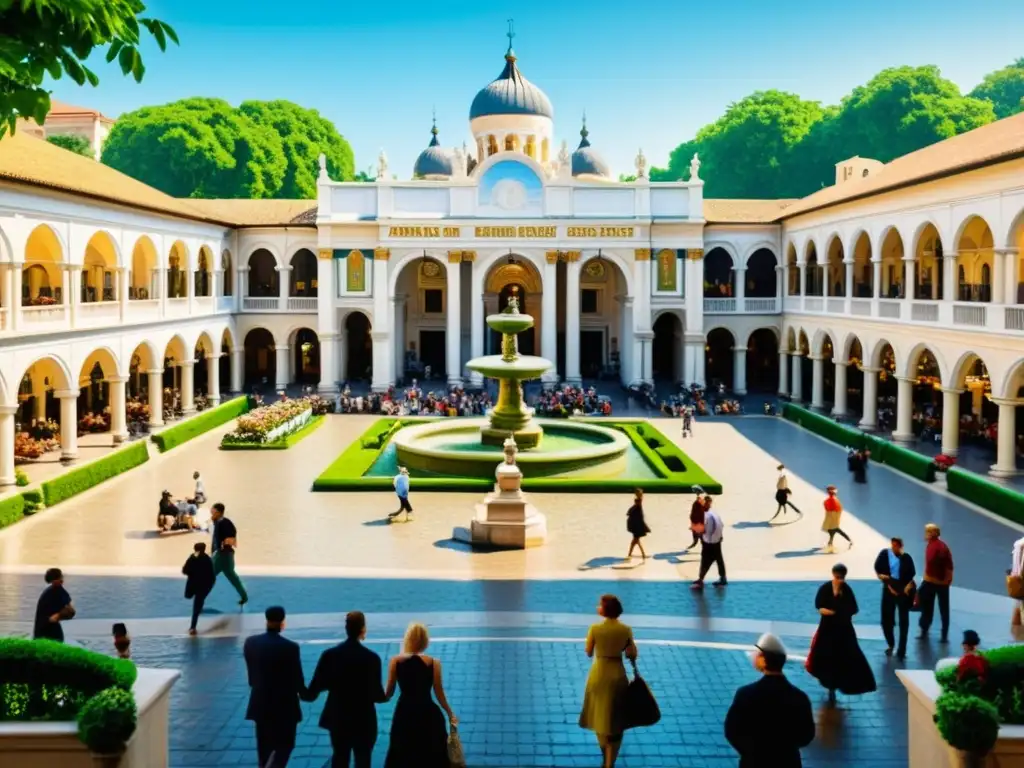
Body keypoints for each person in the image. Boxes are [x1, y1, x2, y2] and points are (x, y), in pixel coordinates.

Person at [305, 611, 386, 768]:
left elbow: (313, 690)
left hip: (338, 717)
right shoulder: (371, 658)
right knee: (363, 760)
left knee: (340, 757)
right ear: (363, 629)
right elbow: (377, 695)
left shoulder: (329, 655)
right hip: (364, 719)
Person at [724, 632, 815, 767]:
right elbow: (806, 735)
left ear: (763, 659)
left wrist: (749, 751)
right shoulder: (799, 697)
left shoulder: (745, 694)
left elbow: (732, 731)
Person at [383, 622, 456, 768]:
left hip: (404, 714)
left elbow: (388, 693)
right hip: (428, 713)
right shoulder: (434, 663)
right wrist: (449, 713)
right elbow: (439, 692)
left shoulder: (395, 661)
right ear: (425, 641)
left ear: (408, 639)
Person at [243, 606, 307, 768]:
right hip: (284, 706)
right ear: (282, 622)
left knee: (263, 749)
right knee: (285, 746)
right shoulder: (291, 647)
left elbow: (251, 677)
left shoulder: (250, 642)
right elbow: (297, 680)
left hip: (260, 703)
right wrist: (309, 693)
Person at [807, 563, 877, 705]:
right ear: (833, 575)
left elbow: (853, 608)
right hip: (827, 628)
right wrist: (830, 612)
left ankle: (846, 683)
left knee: (849, 655)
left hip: (844, 629)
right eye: (838, 577)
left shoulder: (846, 590)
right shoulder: (825, 589)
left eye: (842, 578)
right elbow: (819, 607)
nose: (840, 580)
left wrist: (841, 611)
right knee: (827, 656)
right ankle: (830, 684)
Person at [580, 594, 636, 768]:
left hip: (599, 674)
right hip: (618, 674)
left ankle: (606, 756)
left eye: (600, 605)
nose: (597, 606)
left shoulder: (595, 628)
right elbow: (631, 653)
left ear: (604, 610)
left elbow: (588, 652)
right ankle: (611, 761)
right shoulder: (626, 629)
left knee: (601, 717)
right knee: (616, 719)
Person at [873, 537, 917, 659]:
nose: (893, 548)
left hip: (902, 591)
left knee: (904, 621)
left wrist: (906, 587)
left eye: (896, 546)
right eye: (892, 545)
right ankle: (891, 643)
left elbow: (911, 574)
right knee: (886, 619)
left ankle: (901, 650)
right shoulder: (884, 554)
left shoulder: (906, 558)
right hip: (889, 588)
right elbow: (878, 569)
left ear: (900, 546)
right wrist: (887, 584)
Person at [918, 523, 953, 643]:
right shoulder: (933, 545)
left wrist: (946, 580)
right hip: (935, 581)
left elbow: (947, 566)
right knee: (937, 608)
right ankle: (934, 632)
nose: (925, 534)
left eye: (927, 532)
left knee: (932, 607)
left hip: (937, 582)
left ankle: (928, 630)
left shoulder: (940, 547)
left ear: (933, 534)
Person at [211, 503, 248, 605]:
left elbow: (231, 537)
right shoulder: (219, 522)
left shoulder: (224, 522)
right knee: (233, 577)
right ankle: (244, 596)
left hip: (223, 555)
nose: (211, 512)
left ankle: (199, 598)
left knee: (208, 576)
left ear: (218, 512)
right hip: (225, 555)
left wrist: (222, 548)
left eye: (213, 510)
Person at [691, 496, 726, 589]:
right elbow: (721, 525)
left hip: (709, 542)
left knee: (705, 560)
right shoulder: (714, 513)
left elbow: (705, 530)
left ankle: (701, 580)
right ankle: (722, 578)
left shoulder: (706, 515)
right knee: (719, 559)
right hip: (717, 540)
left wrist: (696, 530)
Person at [182, 541, 216, 636]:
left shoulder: (192, 558)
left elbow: (184, 570)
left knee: (195, 604)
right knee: (197, 605)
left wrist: (192, 573)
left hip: (194, 585)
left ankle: (193, 627)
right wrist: (209, 586)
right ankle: (193, 626)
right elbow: (212, 576)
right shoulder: (207, 559)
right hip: (203, 586)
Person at [33, 567, 75, 642]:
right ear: (53, 580)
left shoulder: (58, 590)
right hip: (44, 627)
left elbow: (71, 609)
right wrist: (58, 616)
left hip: (50, 625)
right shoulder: (51, 591)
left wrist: (59, 615)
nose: (62, 580)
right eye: (59, 578)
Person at [821, 486, 852, 553]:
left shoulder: (829, 501)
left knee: (833, 533)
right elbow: (837, 510)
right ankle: (848, 540)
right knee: (837, 532)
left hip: (831, 523)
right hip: (833, 523)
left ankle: (831, 544)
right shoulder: (833, 501)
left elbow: (829, 508)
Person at [625, 489, 649, 561]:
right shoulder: (638, 500)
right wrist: (630, 511)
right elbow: (636, 507)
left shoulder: (639, 500)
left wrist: (629, 511)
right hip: (636, 523)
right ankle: (641, 554)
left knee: (635, 540)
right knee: (636, 540)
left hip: (637, 523)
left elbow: (636, 507)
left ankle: (634, 554)